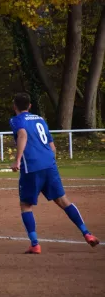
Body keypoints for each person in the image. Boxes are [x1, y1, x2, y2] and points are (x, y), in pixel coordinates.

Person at [9, 92, 99, 254]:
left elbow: (22, 135)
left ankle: (35, 244)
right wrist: (50, 162)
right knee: (64, 201)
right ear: (30, 106)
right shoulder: (40, 119)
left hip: (33, 167)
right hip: (49, 164)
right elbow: (52, 146)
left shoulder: (16, 120)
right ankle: (87, 234)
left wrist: (17, 160)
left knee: (26, 205)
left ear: (14, 106)